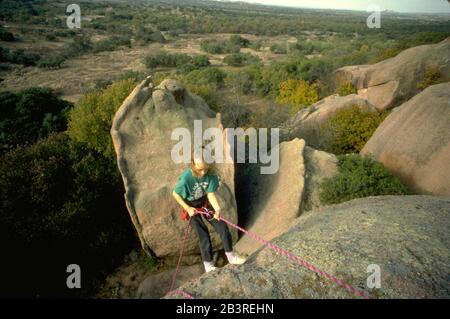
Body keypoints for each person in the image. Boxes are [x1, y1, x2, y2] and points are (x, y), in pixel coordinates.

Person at [172, 151, 246, 272]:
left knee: (222, 227)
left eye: (205, 169)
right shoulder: (186, 178)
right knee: (203, 234)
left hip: (204, 203)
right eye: (199, 170)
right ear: (193, 165)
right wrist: (188, 208)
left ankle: (231, 257)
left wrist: (217, 209)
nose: (203, 173)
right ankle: (208, 266)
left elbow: (210, 194)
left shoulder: (211, 175)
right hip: (191, 207)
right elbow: (175, 194)